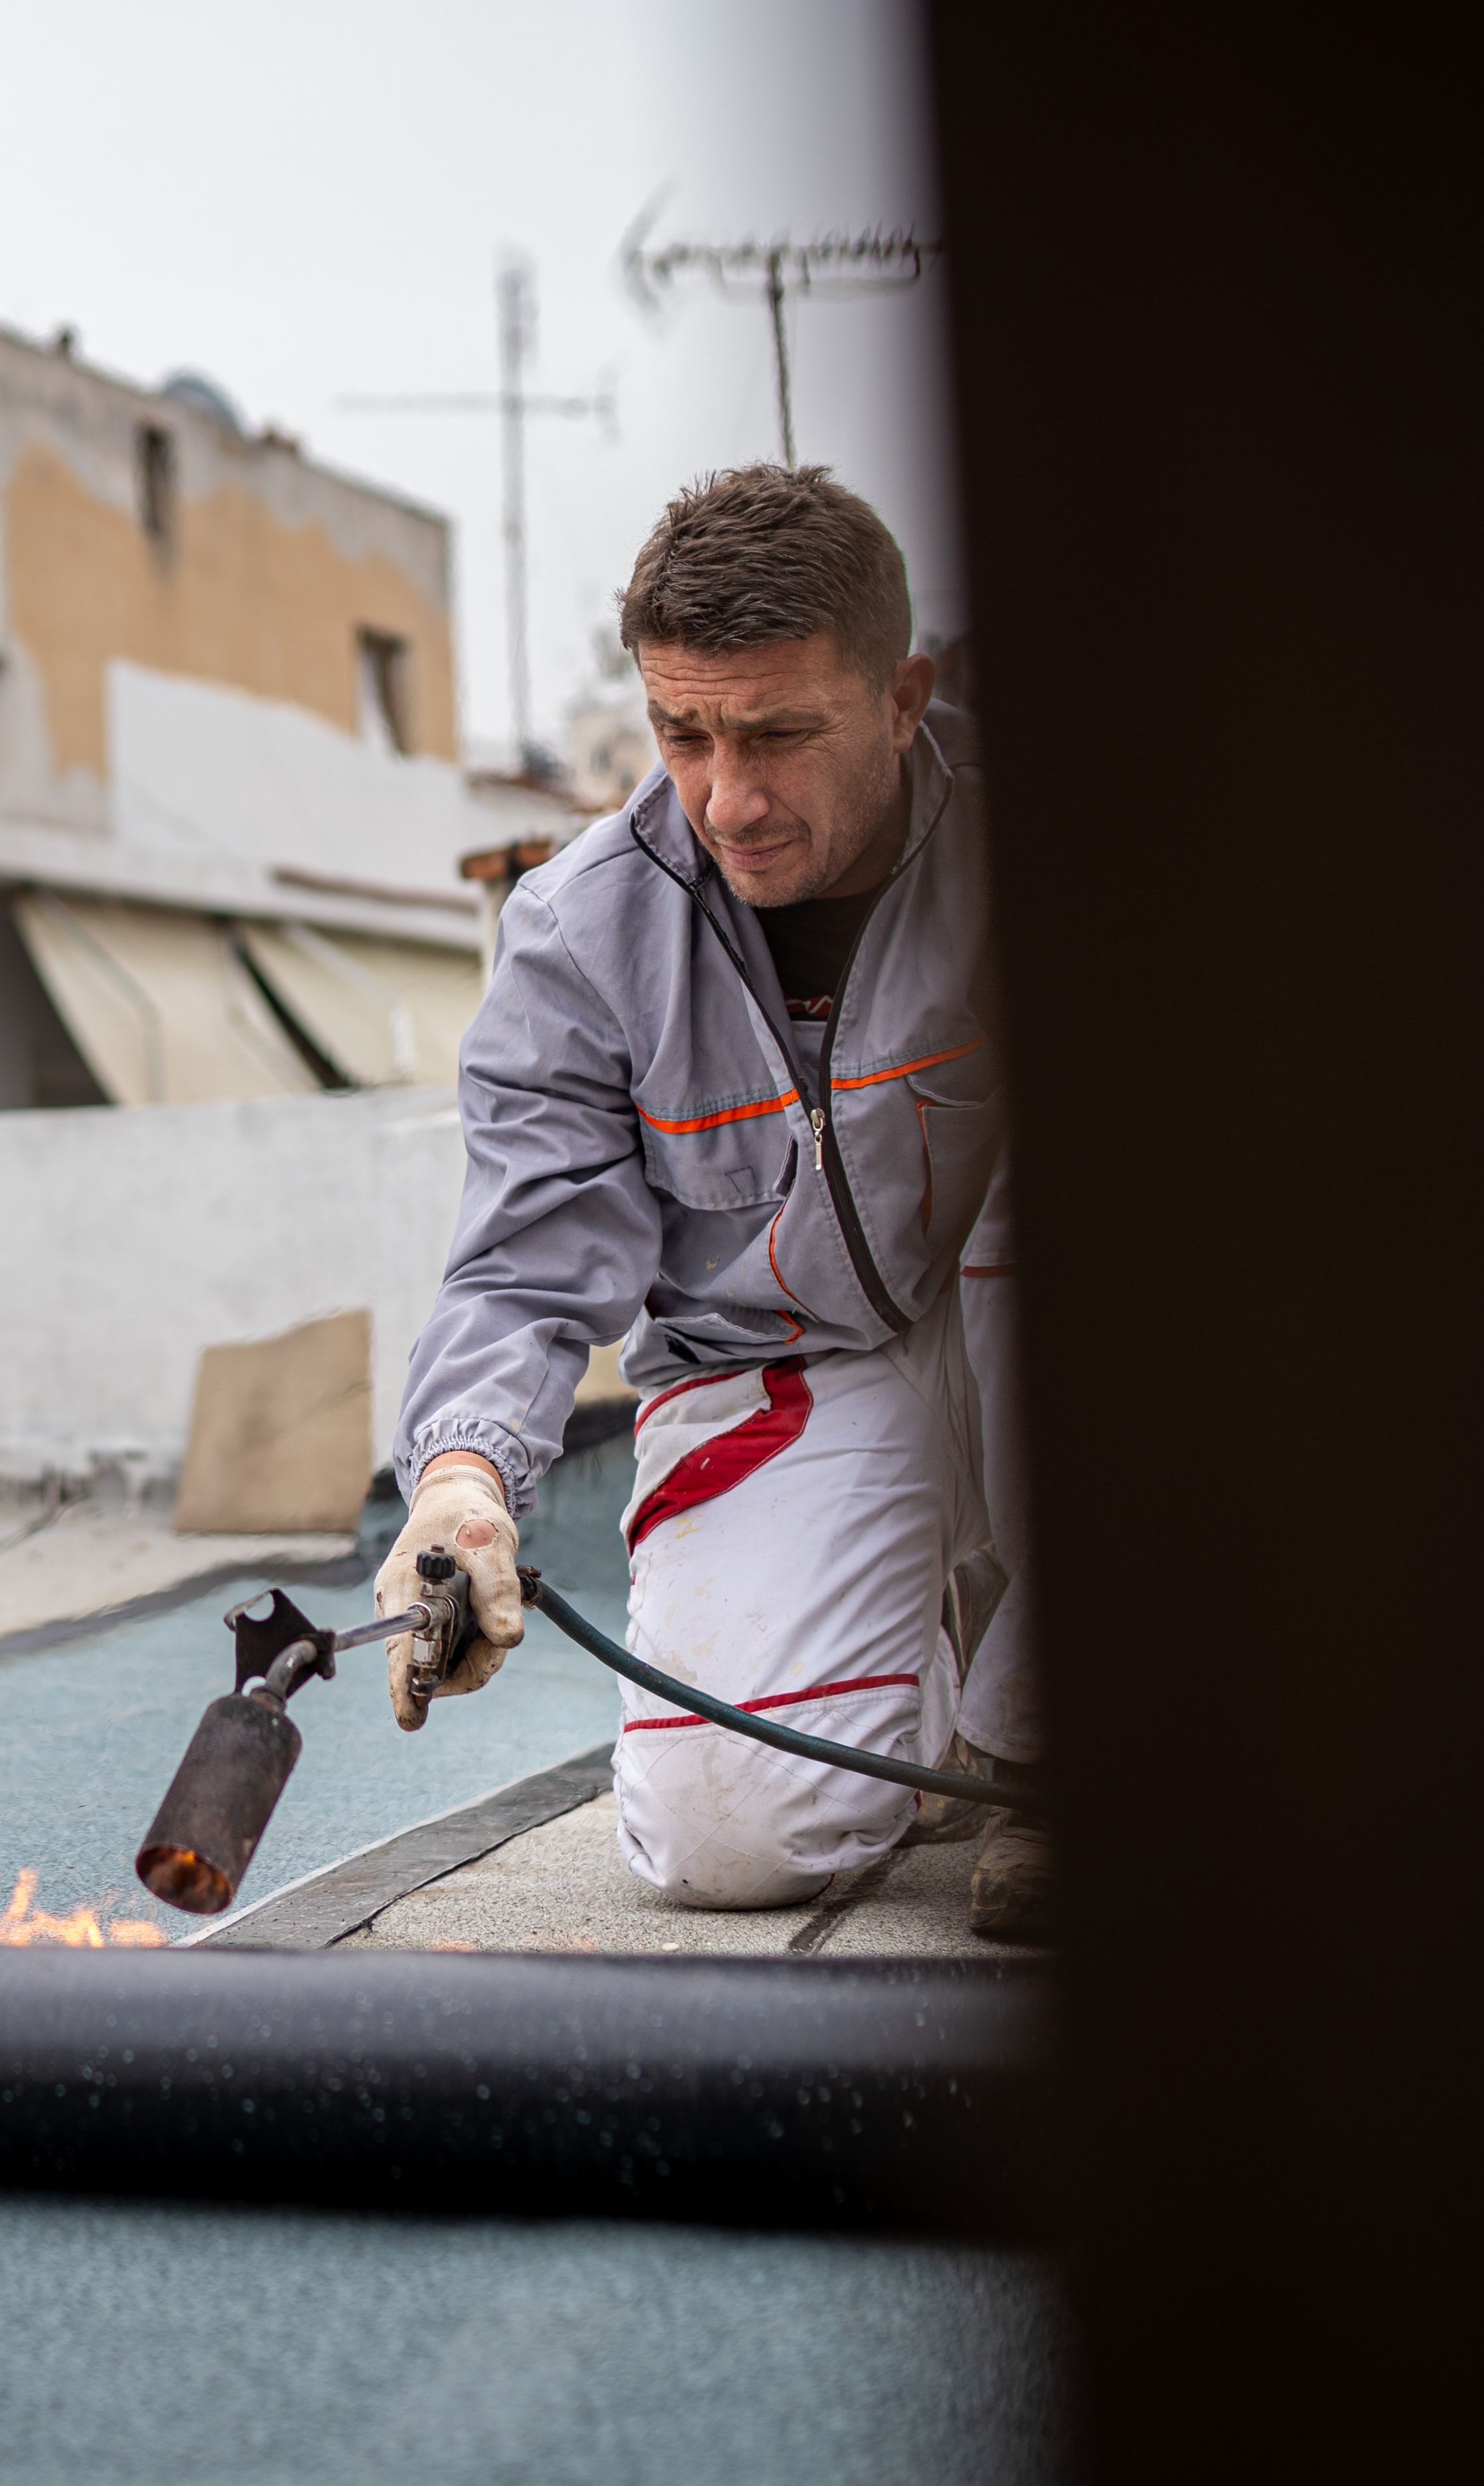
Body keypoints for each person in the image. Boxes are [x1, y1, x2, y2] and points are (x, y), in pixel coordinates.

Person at [378, 463, 1050, 1941]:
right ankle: (927, 1659)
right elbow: (524, 1264)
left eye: (778, 733)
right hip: (785, 1366)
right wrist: (464, 1478)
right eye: (682, 732)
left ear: (902, 694)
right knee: (725, 1837)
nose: (727, 797)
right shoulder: (578, 929)